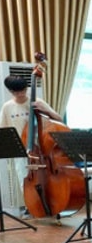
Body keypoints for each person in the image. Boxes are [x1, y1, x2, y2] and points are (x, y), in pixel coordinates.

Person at [1, 75, 64, 217]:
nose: (21, 94)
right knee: (25, 179)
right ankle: (31, 206)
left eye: (23, 90)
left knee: (47, 178)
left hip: (41, 149)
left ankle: (51, 203)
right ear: (11, 91)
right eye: (17, 92)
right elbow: (3, 129)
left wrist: (45, 110)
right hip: (21, 149)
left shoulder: (37, 102)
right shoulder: (7, 107)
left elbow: (58, 119)